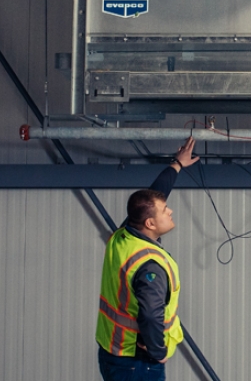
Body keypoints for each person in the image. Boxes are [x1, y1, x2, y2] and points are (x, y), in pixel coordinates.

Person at [96, 137, 199, 381]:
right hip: (137, 362)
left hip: (112, 352)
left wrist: (177, 165)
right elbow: (151, 315)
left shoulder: (123, 237)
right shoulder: (149, 264)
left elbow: (153, 196)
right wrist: (158, 351)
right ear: (150, 223)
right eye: (165, 211)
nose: (170, 211)